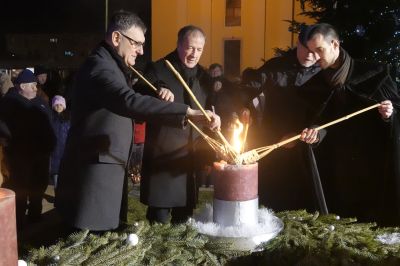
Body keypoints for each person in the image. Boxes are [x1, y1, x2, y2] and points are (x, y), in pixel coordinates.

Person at [55, 12, 220, 231]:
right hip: (95, 172)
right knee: (90, 235)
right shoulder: (100, 66)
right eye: (136, 44)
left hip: (111, 165)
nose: (141, 51)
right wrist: (187, 112)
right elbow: (128, 100)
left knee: (105, 234)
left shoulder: (113, 66)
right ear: (116, 38)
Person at [303, 23, 400, 225]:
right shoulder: (316, 85)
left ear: (335, 44)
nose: (315, 57)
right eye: (312, 51)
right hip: (339, 170)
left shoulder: (374, 74)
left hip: (372, 166)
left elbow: (396, 108)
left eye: (319, 50)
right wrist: (315, 133)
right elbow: (320, 121)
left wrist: (389, 114)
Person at [243, 25, 331, 213]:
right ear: (297, 45)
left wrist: (317, 132)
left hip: (306, 149)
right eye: (304, 48)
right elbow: (246, 89)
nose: (309, 55)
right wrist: (244, 107)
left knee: (304, 202)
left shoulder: (325, 75)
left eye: (314, 51)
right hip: (271, 144)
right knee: (271, 200)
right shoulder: (276, 67)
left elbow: (330, 112)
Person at [138, 25, 215, 224]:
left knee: (185, 222)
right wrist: (159, 89)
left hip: (188, 161)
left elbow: (213, 108)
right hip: (162, 158)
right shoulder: (158, 68)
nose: (194, 54)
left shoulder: (204, 77)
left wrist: (217, 119)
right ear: (179, 44)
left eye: (199, 50)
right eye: (190, 48)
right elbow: (142, 88)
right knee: (159, 221)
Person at [0, 69, 56, 229]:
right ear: (22, 86)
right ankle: (17, 221)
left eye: (35, 85)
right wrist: (14, 141)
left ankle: (35, 216)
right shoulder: (9, 103)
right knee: (20, 187)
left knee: (38, 185)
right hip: (20, 155)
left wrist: (51, 143)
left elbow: (50, 124)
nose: (35, 88)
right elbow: (3, 127)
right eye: (32, 85)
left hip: (42, 154)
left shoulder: (41, 103)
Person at [50, 95, 70, 188]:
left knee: (65, 173)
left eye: (60, 105)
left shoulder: (68, 119)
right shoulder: (50, 118)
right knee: (56, 174)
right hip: (54, 150)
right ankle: (57, 193)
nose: (58, 107)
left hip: (65, 148)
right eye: (56, 105)